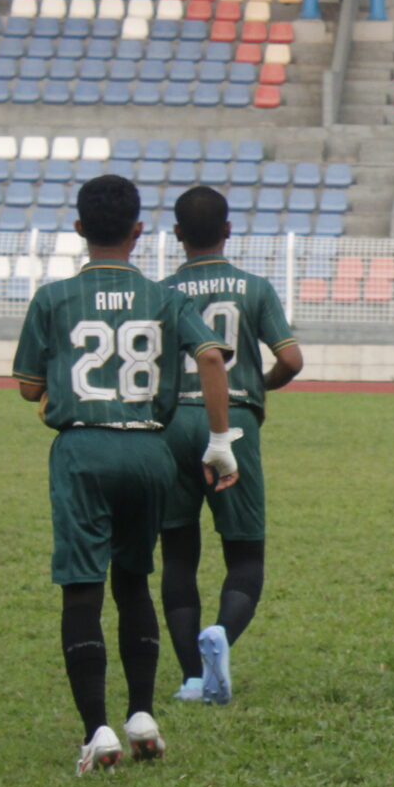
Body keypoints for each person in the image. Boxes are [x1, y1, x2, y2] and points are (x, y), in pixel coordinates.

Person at [11, 173, 237, 776]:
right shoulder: (164, 298)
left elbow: (30, 384)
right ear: (139, 232)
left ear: (80, 228)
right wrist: (220, 441)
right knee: (135, 582)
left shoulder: (53, 298)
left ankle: (97, 732)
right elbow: (212, 356)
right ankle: (141, 713)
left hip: (83, 450)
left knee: (82, 590)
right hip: (148, 450)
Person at [157, 186, 302, 706]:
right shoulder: (255, 288)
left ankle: (193, 677)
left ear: (177, 235)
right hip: (233, 419)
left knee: (178, 554)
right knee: (244, 556)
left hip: (173, 423)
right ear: (229, 229)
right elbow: (292, 359)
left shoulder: (164, 292)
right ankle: (220, 635)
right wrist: (258, 385)